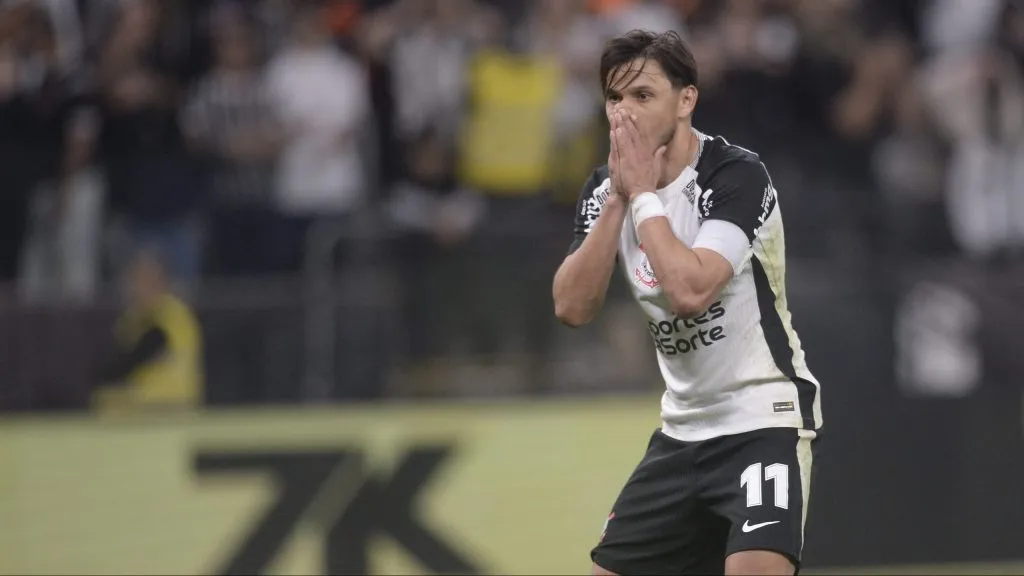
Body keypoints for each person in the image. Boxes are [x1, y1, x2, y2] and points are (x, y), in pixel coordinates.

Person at [552, 30, 823, 575]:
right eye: (614, 97)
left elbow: (690, 292)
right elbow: (572, 307)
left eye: (642, 95)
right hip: (681, 432)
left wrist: (643, 196)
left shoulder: (734, 175)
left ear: (686, 100)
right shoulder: (605, 191)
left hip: (762, 419)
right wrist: (619, 200)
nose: (624, 112)